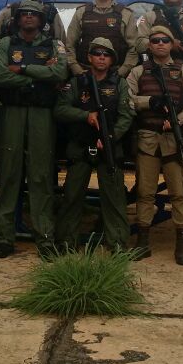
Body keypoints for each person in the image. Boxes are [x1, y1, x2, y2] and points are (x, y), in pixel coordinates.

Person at [0, 0, 67, 258]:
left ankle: (45, 239)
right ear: (17, 18)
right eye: (24, 14)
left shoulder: (54, 45)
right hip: (12, 112)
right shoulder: (5, 44)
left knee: (41, 176)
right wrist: (37, 75)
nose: (29, 18)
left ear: (41, 19)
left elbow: (59, 73)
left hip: (41, 115)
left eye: (34, 14)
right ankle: (3, 237)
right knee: (9, 174)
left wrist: (23, 69)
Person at [126, 26, 183, 264]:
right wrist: (150, 102)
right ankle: (143, 242)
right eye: (155, 40)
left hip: (174, 139)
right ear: (149, 45)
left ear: (172, 44)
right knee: (145, 192)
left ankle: (181, 245)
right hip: (148, 138)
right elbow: (127, 101)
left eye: (165, 40)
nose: (160, 44)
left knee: (179, 193)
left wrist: (177, 121)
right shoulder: (138, 71)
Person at [53, 37, 135, 252]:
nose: (101, 57)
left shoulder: (120, 84)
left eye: (106, 54)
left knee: (114, 197)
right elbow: (60, 109)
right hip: (80, 145)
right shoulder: (76, 82)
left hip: (108, 147)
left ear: (112, 60)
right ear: (89, 57)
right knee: (72, 195)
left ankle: (117, 243)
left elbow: (126, 116)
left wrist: (110, 136)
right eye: (97, 53)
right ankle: (65, 242)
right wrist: (84, 116)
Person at [64, 0, 139, 78]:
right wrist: (78, 71)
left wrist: (120, 74)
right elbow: (69, 45)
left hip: (115, 75)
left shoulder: (125, 14)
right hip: (85, 74)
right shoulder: (82, 12)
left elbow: (134, 49)